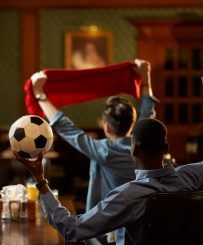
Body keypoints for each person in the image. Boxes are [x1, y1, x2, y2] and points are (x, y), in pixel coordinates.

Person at [13, 70, 203, 245]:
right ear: (166, 147)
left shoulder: (128, 196)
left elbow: (71, 230)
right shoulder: (192, 176)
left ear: (133, 149)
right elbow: (147, 120)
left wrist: (40, 179)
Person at [30, 59, 158, 244]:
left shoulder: (105, 151)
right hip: (142, 226)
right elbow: (148, 112)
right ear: (132, 124)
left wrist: (39, 93)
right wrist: (145, 78)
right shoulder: (142, 143)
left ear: (106, 127)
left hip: (110, 231)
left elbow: (66, 128)